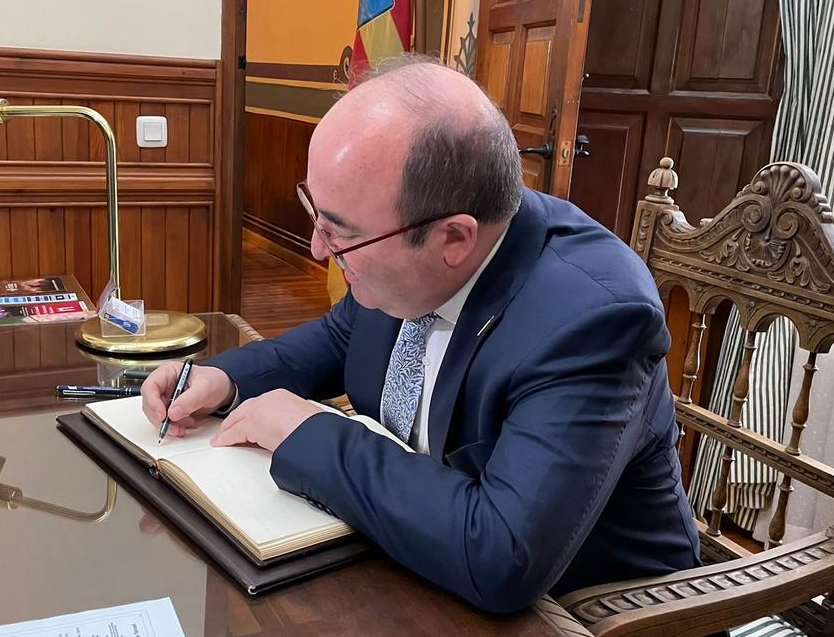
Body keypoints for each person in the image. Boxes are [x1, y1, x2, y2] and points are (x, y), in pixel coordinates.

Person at [141, 56, 699, 612]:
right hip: (414, 563)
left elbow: (501, 555)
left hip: (589, 613)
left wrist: (310, 433)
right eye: (316, 212)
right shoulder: (407, 242)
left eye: (340, 234)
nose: (318, 250)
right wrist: (224, 378)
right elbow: (341, 339)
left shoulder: (594, 321)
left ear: (453, 238)